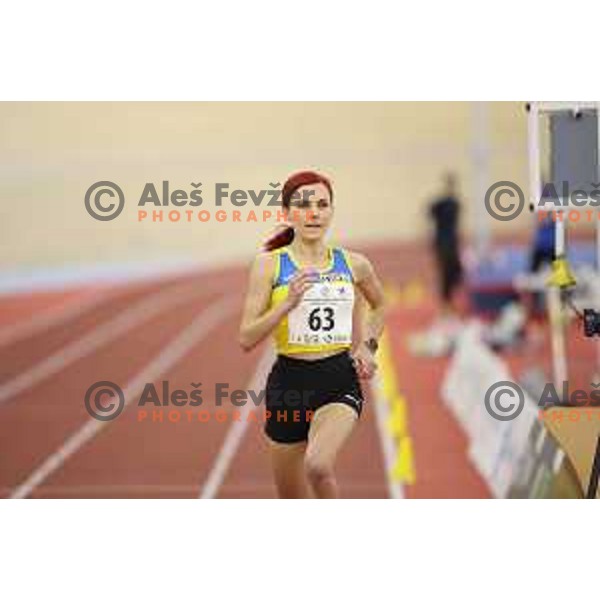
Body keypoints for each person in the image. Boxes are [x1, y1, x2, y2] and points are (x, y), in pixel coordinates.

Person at [239, 170, 386, 498]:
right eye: (303, 205)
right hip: (288, 385)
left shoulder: (354, 264)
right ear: (287, 214)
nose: (314, 213)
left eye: (322, 204)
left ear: (331, 211)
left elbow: (379, 305)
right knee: (293, 498)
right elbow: (246, 338)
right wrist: (286, 304)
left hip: (337, 379)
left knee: (318, 466)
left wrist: (368, 347)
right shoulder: (269, 266)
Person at [428, 172, 463, 321]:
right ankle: (445, 306)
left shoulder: (455, 203)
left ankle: (448, 304)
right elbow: (430, 213)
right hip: (443, 244)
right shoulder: (440, 204)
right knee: (445, 275)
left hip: (451, 243)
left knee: (455, 273)